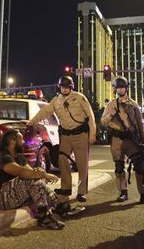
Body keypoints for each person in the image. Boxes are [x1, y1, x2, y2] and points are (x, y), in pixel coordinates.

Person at [27, 76, 97, 205]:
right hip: (65, 135)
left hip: (80, 134)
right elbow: (44, 112)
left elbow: (90, 115)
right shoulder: (56, 100)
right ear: (59, 87)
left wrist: (92, 133)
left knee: (82, 164)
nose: (64, 89)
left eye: (67, 87)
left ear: (71, 87)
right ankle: (66, 188)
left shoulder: (79, 97)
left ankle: (82, 192)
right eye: (62, 87)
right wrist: (31, 122)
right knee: (62, 159)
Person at [0, 130, 75, 229]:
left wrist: (42, 174)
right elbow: (20, 172)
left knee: (36, 179)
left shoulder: (19, 157)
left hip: (13, 196)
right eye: (21, 139)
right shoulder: (3, 157)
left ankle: (60, 208)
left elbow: (30, 171)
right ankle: (44, 216)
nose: (24, 142)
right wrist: (42, 175)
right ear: (12, 141)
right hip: (1, 199)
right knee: (32, 179)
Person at [101, 76, 144, 204]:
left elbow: (139, 123)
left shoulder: (133, 104)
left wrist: (142, 139)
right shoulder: (111, 104)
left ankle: (143, 194)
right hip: (116, 139)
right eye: (118, 87)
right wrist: (111, 115)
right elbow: (103, 122)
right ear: (115, 89)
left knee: (139, 165)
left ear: (127, 88)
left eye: (122, 87)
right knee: (119, 166)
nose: (120, 90)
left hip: (131, 139)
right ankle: (123, 192)